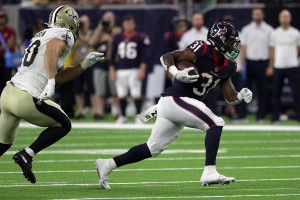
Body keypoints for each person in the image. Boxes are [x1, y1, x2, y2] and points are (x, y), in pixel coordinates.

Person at [94, 22, 252, 189]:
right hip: (176, 100)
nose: (234, 47)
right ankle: (209, 172)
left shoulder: (229, 65)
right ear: (218, 41)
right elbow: (166, 57)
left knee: (152, 148)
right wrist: (176, 72)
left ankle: (108, 164)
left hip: (179, 105)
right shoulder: (202, 48)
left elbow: (230, 97)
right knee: (215, 122)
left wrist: (240, 95)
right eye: (230, 42)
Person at [0, 5, 104, 183]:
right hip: (27, 96)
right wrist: (49, 81)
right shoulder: (64, 34)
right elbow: (51, 50)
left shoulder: (43, 34)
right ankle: (27, 154)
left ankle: (26, 154)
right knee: (64, 124)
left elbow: (61, 75)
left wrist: (84, 64)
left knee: (2, 144)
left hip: (8, 95)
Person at [109, 15, 150, 124]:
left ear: (134, 25)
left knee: (136, 93)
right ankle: (122, 116)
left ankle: (139, 117)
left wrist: (142, 69)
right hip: (121, 69)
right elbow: (112, 56)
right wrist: (112, 70)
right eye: (126, 24)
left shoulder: (139, 37)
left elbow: (143, 56)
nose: (128, 26)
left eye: (130, 24)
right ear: (123, 24)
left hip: (134, 69)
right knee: (121, 94)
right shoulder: (117, 37)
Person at [237, 8, 273, 122]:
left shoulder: (269, 30)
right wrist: (242, 65)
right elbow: (243, 48)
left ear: (263, 15)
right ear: (252, 16)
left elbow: (271, 49)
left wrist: (270, 66)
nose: (257, 16)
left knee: (263, 91)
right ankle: (242, 116)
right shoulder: (247, 30)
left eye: (259, 14)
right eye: (255, 14)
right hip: (250, 63)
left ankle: (260, 116)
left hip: (263, 63)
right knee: (244, 90)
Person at [266, 10, 300, 123]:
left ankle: (298, 116)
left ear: (290, 19)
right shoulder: (275, 33)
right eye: (283, 17)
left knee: (296, 92)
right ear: (280, 18)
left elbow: (298, 49)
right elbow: (272, 51)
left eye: (287, 17)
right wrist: (270, 66)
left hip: (292, 66)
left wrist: (293, 59)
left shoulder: (296, 33)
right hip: (278, 66)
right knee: (276, 93)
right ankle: (276, 116)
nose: (285, 19)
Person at [89, 11, 121, 120]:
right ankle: (99, 112)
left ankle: (118, 112)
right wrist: (100, 28)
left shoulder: (117, 31)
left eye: (110, 18)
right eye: (106, 18)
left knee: (115, 90)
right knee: (100, 90)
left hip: (113, 63)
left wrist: (111, 38)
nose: (108, 20)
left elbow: (120, 43)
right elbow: (91, 43)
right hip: (100, 62)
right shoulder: (98, 31)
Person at [71, 15, 98, 120]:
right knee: (78, 90)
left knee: (92, 89)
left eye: (84, 22)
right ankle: (81, 112)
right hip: (77, 64)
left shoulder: (92, 33)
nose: (83, 25)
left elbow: (91, 42)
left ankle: (96, 112)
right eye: (81, 22)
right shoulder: (74, 35)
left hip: (89, 64)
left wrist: (80, 34)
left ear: (88, 23)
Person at [0, 11, 16, 94]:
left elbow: (11, 44)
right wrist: (6, 46)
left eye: (3, 17)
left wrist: (4, 47)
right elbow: (8, 45)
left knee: (7, 81)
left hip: (8, 60)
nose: (1, 20)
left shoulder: (11, 30)